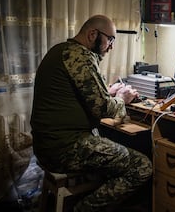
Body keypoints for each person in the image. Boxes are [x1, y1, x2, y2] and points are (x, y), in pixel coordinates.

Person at [30, 15, 152, 212]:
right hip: (64, 149)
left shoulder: (62, 50)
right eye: (110, 40)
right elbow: (102, 110)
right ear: (93, 34)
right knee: (142, 166)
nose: (111, 47)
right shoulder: (81, 57)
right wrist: (122, 98)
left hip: (46, 145)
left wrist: (108, 93)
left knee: (117, 148)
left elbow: (81, 94)